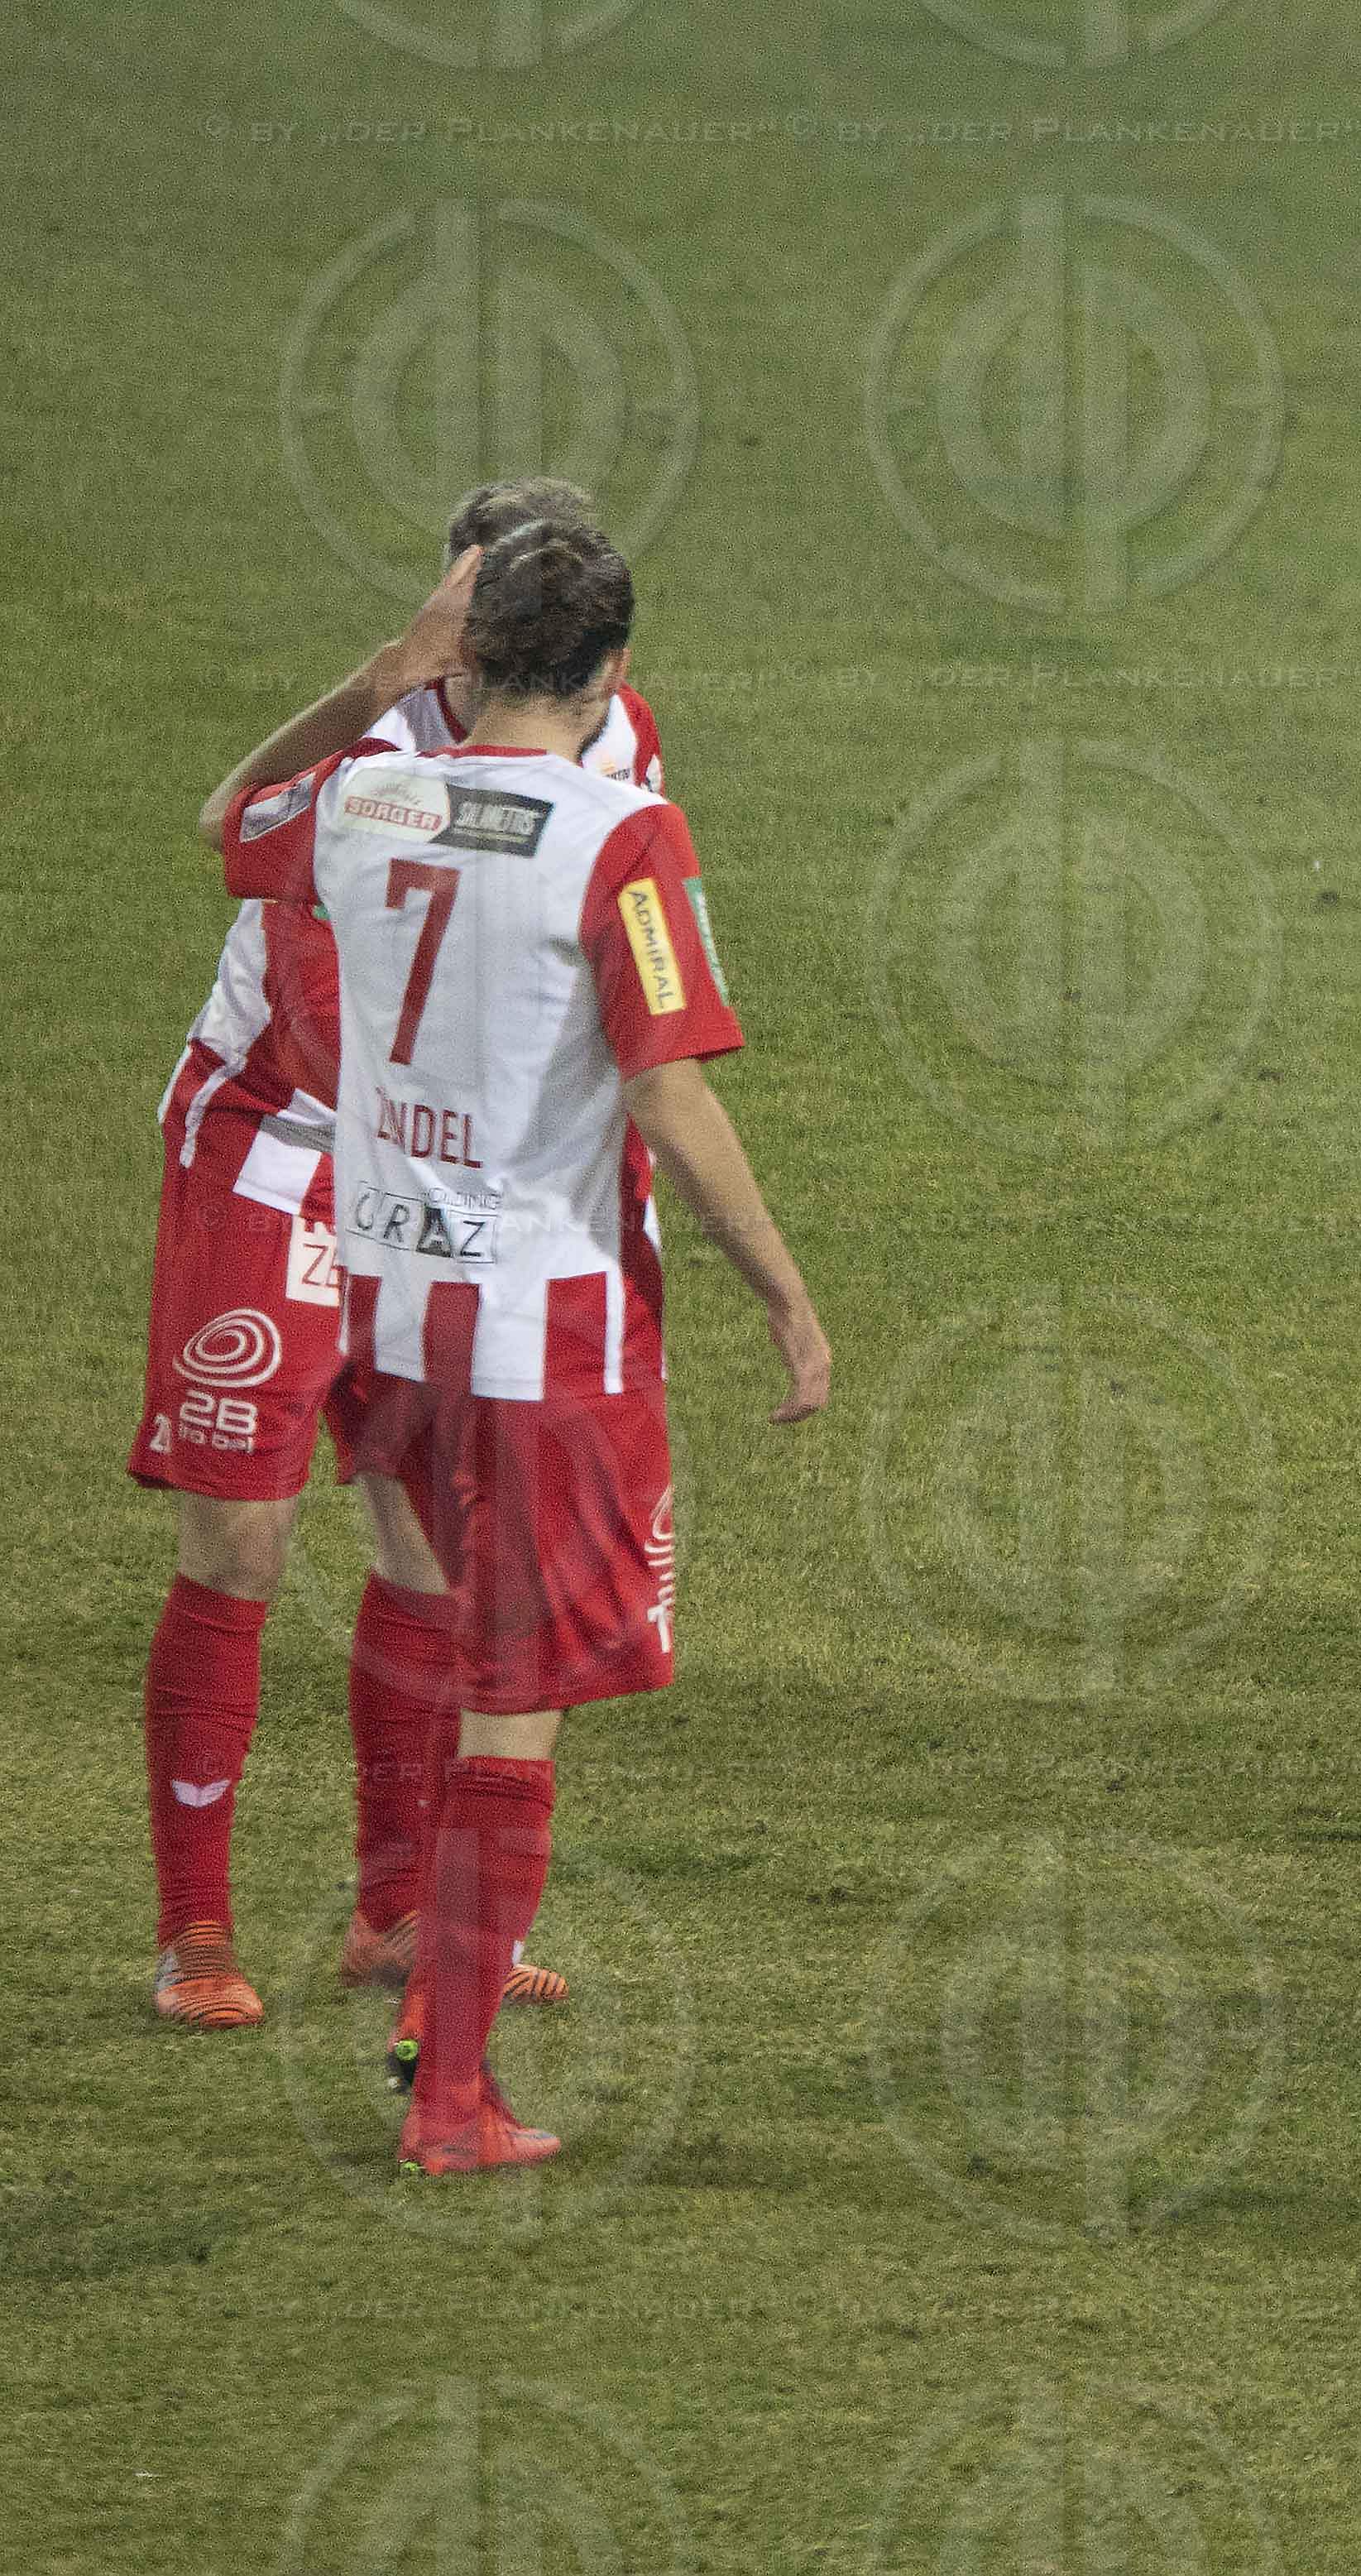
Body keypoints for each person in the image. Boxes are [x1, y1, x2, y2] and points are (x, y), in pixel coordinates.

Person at [205, 519, 828, 2171]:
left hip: (391, 1307)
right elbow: (667, 1087)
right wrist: (780, 1288)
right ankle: (454, 2088)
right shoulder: (627, 838)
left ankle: (416, 1957)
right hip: (548, 1333)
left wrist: (374, 684)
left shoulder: (365, 795)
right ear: (614, 670)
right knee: (522, 1696)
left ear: (465, 656)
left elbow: (228, 822)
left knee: (457, 1638)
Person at [137, 477, 654, 2032]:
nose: (471, 647)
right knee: (245, 1542)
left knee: (430, 1551)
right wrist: (373, 683)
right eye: (461, 611)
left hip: (434, 1183)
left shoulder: (609, 741)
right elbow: (311, 992)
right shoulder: (367, 754)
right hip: (277, 1145)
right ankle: (194, 1934)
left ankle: (396, 1909)